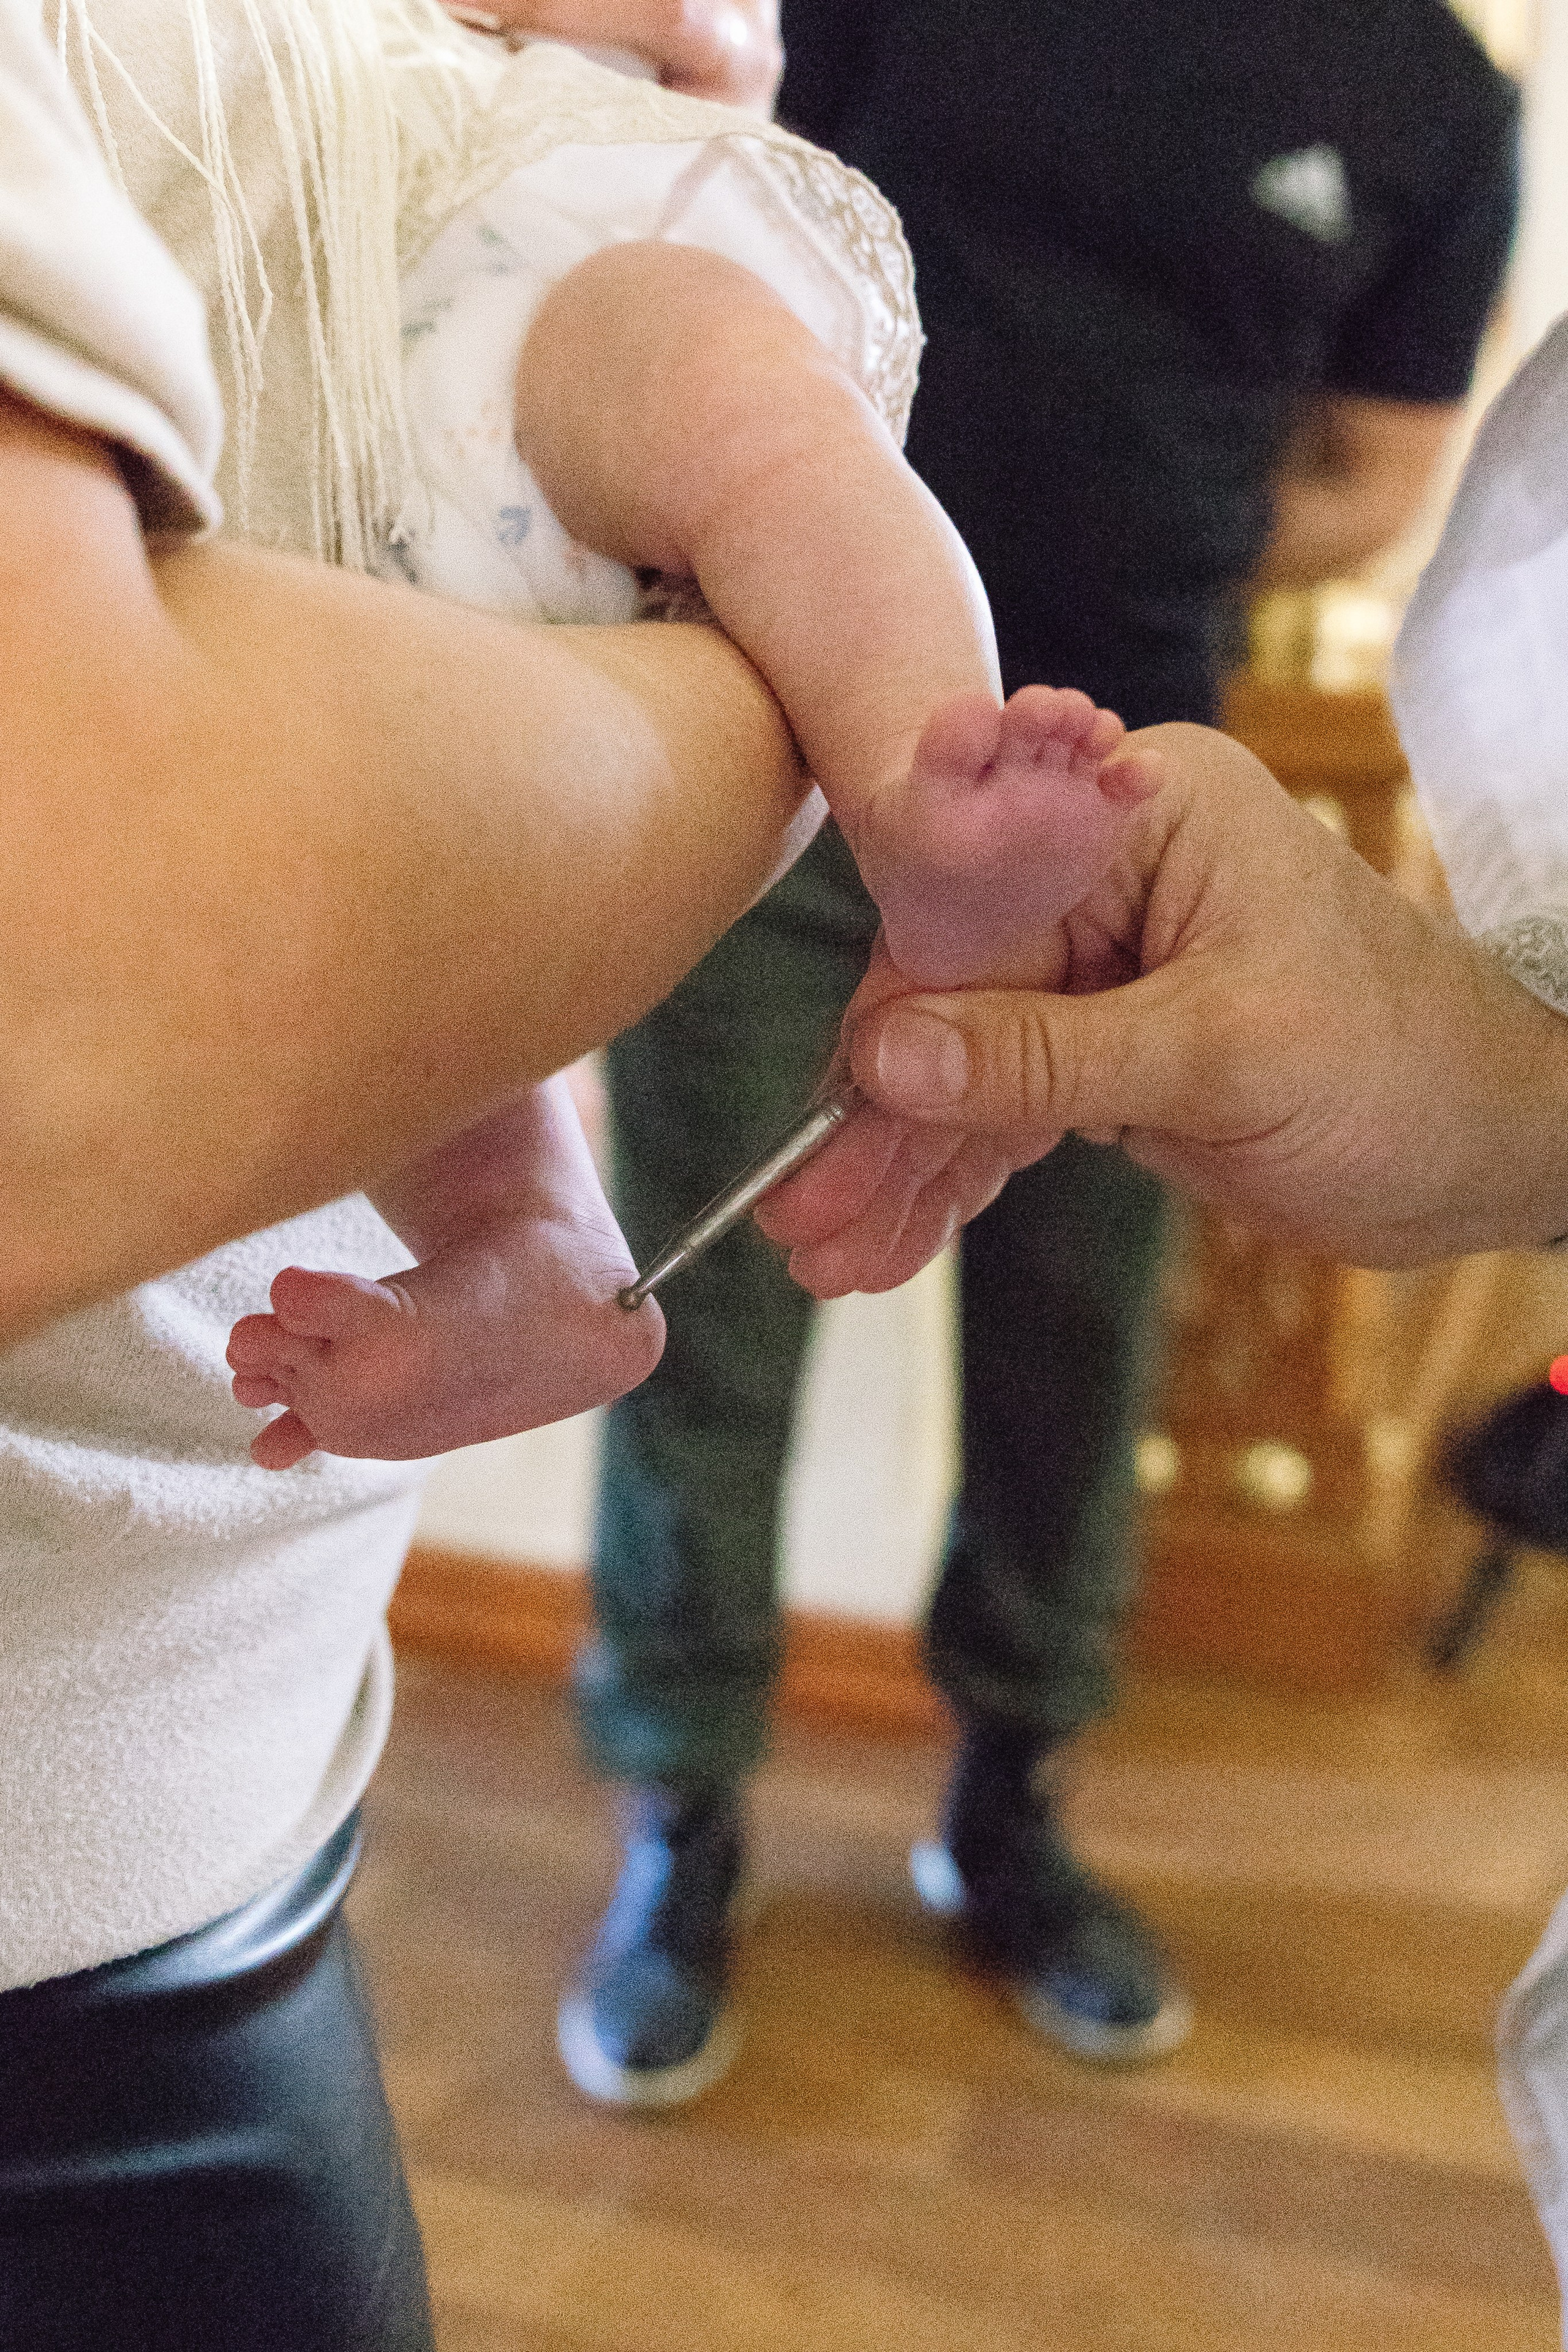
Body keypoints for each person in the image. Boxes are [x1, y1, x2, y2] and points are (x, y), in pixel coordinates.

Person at [562, 0, 1520, 2106]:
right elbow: (713, 233)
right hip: (773, 767)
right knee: (691, 1311)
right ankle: (680, 1820)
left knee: (1081, 1340)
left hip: (1136, 816)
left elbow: (1372, 481)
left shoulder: (1436, 100)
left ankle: (1011, 1805)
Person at [0, 1, 861, 2343]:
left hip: (215, 1793)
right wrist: (782, 722)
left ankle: (541, 1215)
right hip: (115, 1846)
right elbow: (78, 1001)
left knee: (686, 451)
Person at [221, 135, 1161, 1469]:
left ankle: (918, 787)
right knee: (361, 950)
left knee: (721, 376)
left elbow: (715, 48)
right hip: (249, 629)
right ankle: (532, 1243)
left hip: (445, 318)